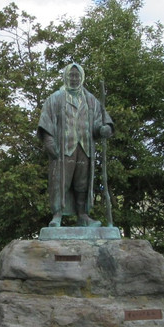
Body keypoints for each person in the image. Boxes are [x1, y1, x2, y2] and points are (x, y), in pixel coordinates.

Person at [37, 62, 113, 227]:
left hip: (84, 147)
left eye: (77, 75)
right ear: (65, 76)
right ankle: (57, 215)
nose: (74, 78)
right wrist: (49, 141)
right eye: (71, 75)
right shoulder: (56, 98)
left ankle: (83, 215)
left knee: (82, 183)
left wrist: (103, 129)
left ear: (82, 77)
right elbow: (46, 121)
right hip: (63, 148)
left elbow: (99, 123)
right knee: (60, 182)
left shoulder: (90, 99)